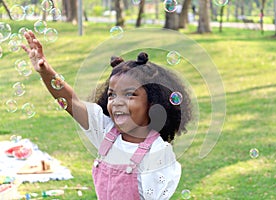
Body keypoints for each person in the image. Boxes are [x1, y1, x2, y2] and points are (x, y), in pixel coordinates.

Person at [21, 30, 193, 199]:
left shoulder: (158, 154)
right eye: (112, 94)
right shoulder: (106, 132)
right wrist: (45, 70)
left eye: (129, 94)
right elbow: (72, 102)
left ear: (153, 104)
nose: (117, 102)